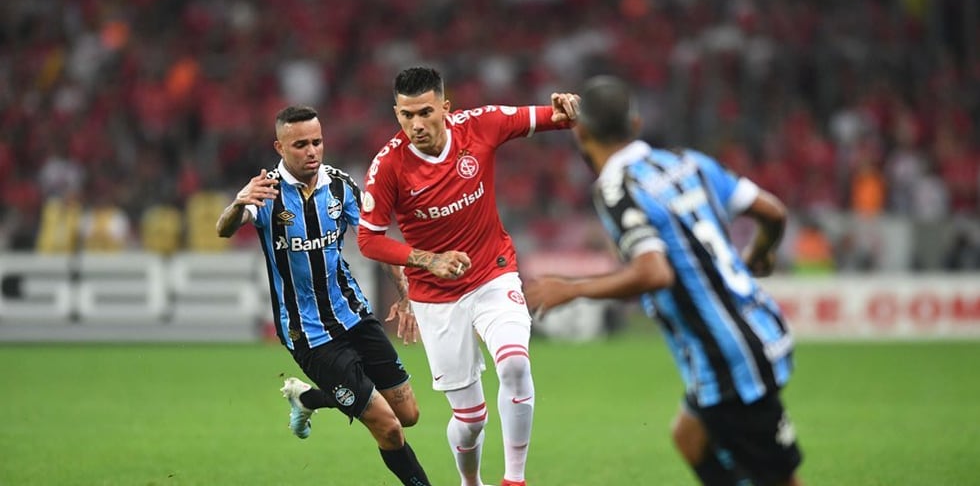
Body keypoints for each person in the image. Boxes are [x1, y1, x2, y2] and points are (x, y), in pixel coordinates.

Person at [524, 76, 804, 486]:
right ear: (635, 124)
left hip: (729, 356)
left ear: (580, 132)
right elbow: (774, 212)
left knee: (779, 481)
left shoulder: (618, 189)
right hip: (760, 328)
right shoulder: (687, 162)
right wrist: (761, 252)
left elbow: (654, 272)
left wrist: (573, 288)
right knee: (690, 438)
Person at [356, 66, 579, 486]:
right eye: (406, 116)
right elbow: (369, 239)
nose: (416, 125)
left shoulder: (480, 126)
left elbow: (556, 116)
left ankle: (514, 479)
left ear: (445, 106)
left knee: (514, 363)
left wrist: (572, 106)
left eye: (425, 112)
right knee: (471, 420)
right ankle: (470, 482)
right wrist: (428, 260)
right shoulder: (388, 166)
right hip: (436, 297)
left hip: (493, 273)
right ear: (396, 114)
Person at [215, 105, 432, 486]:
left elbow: (375, 240)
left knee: (409, 413)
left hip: (353, 315)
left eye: (317, 141)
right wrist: (237, 203)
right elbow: (224, 229)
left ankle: (309, 400)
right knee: (391, 428)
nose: (312, 151)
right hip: (309, 333)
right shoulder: (265, 194)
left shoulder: (340, 185)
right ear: (279, 147)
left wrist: (405, 292)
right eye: (300, 144)